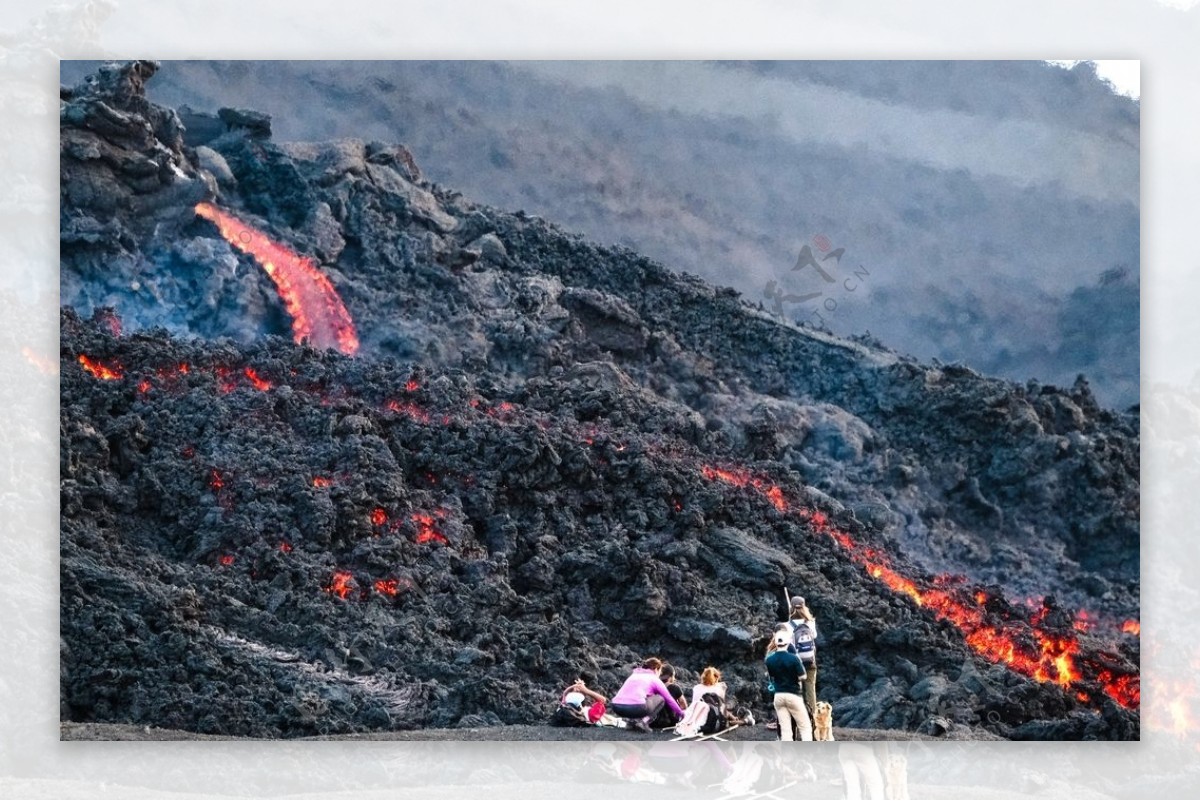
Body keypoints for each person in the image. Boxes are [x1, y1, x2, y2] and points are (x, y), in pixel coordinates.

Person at [611, 657, 684, 733]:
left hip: (616, 706)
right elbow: (669, 700)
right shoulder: (654, 679)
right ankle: (644, 722)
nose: (659, 674)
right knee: (661, 699)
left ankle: (630, 722)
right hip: (635, 707)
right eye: (660, 671)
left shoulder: (634, 675)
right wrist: (681, 714)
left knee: (640, 699)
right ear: (656, 669)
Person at [764, 629, 812, 741]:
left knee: (785, 730)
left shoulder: (769, 660)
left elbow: (769, 675)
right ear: (788, 642)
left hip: (778, 696)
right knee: (805, 727)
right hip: (793, 695)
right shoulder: (794, 658)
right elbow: (803, 676)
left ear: (776, 643)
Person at [674, 666, 728, 738]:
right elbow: (722, 707)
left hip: (697, 715)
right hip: (711, 718)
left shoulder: (696, 687)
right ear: (715, 678)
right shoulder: (719, 689)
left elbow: (694, 703)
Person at [788, 595, 819, 717]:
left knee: (797, 689)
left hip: (795, 662)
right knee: (810, 687)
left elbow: (788, 643)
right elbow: (815, 636)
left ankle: (799, 716)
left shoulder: (788, 625)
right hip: (810, 661)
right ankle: (813, 715)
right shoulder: (810, 623)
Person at [651, 663, 687, 729]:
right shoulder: (675, 687)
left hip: (653, 722)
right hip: (670, 722)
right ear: (671, 676)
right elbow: (683, 704)